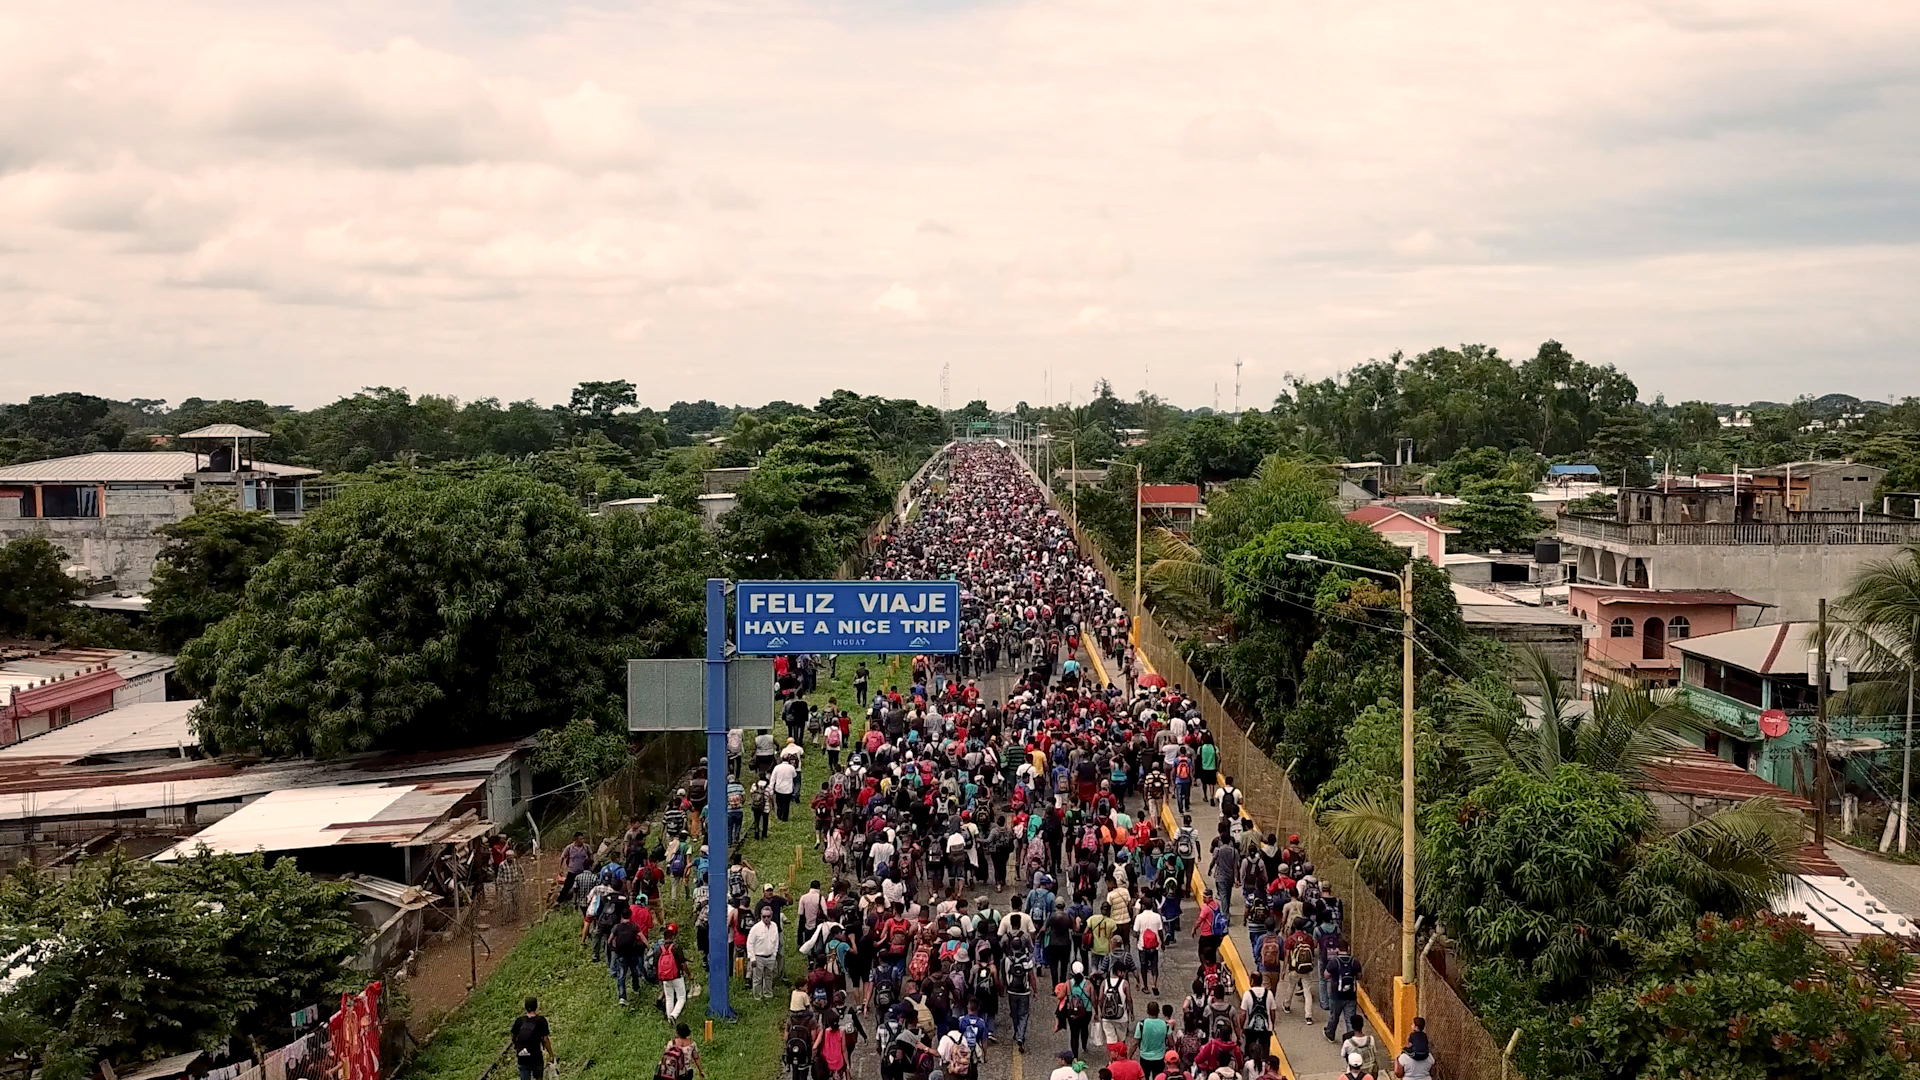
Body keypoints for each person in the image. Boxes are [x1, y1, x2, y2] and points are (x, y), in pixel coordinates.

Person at [1322, 943, 1362, 1042]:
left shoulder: (1334, 961)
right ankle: (1351, 1040)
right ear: (1348, 948)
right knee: (1349, 1019)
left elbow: (1326, 975)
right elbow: (1359, 976)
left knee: (1334, 1016)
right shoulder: (1355, 961)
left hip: (1336, 995)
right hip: (1351, 995)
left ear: (1337, 949)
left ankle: (1330, 1034)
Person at [510, 997, 552, 1080]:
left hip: (522, 1057)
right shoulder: (541, 1021)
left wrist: (517, 1049)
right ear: (536, 1007)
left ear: (525, 1007)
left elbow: (514, 1037)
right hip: (536, 1057)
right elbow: (545, 1039)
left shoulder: (519, 1021)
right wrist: (551, 1054)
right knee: (539, 1077)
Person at [658, 923, 692, 1022]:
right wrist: (689, 974)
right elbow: (683, 964)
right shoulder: (676, 947)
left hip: (665, 977)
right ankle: (674, 1015)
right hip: (677, 976)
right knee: (681, 997)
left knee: (669, 998)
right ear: (673, 936)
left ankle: (669, 1019)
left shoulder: (660, 949)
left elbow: (656, 963)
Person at [1239, 980, 1275, 1069]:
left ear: (1251, 981)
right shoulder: (1269, 993)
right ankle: (1263, 1068)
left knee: (1249, 1050)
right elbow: (1272, 1012)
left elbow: (1243, 1014)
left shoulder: (1247, 994)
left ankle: (1249, 1068)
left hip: (1250, 1029)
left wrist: (1241, 1026)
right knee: (1265, 1049)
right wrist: (1272, 1025)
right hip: (1265, 1028)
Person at [748, 908, 783, 999]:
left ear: (771, 916)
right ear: (761, 916)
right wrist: (752, 958)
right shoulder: (756, 928)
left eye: (768, 916)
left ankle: (768, 994)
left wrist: (774, 954)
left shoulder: (774, 926)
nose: (766, 918)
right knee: (757, 978)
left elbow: (776, 941)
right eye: (764, 916)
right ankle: (757, 996)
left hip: (770, 956)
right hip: (759, 957)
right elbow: (750, 943)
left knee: (769, 977)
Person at [1133, 1000, 1170, 1079]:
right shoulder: (1165, 1024)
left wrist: (1129, 1056)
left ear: (1147, 1011)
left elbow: (1135, 1043)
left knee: (1145, 1076)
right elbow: (1171, 1041)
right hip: (1159, 1057)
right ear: (1158, 1011)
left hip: (1145, 1057)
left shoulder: (1141, 1024)